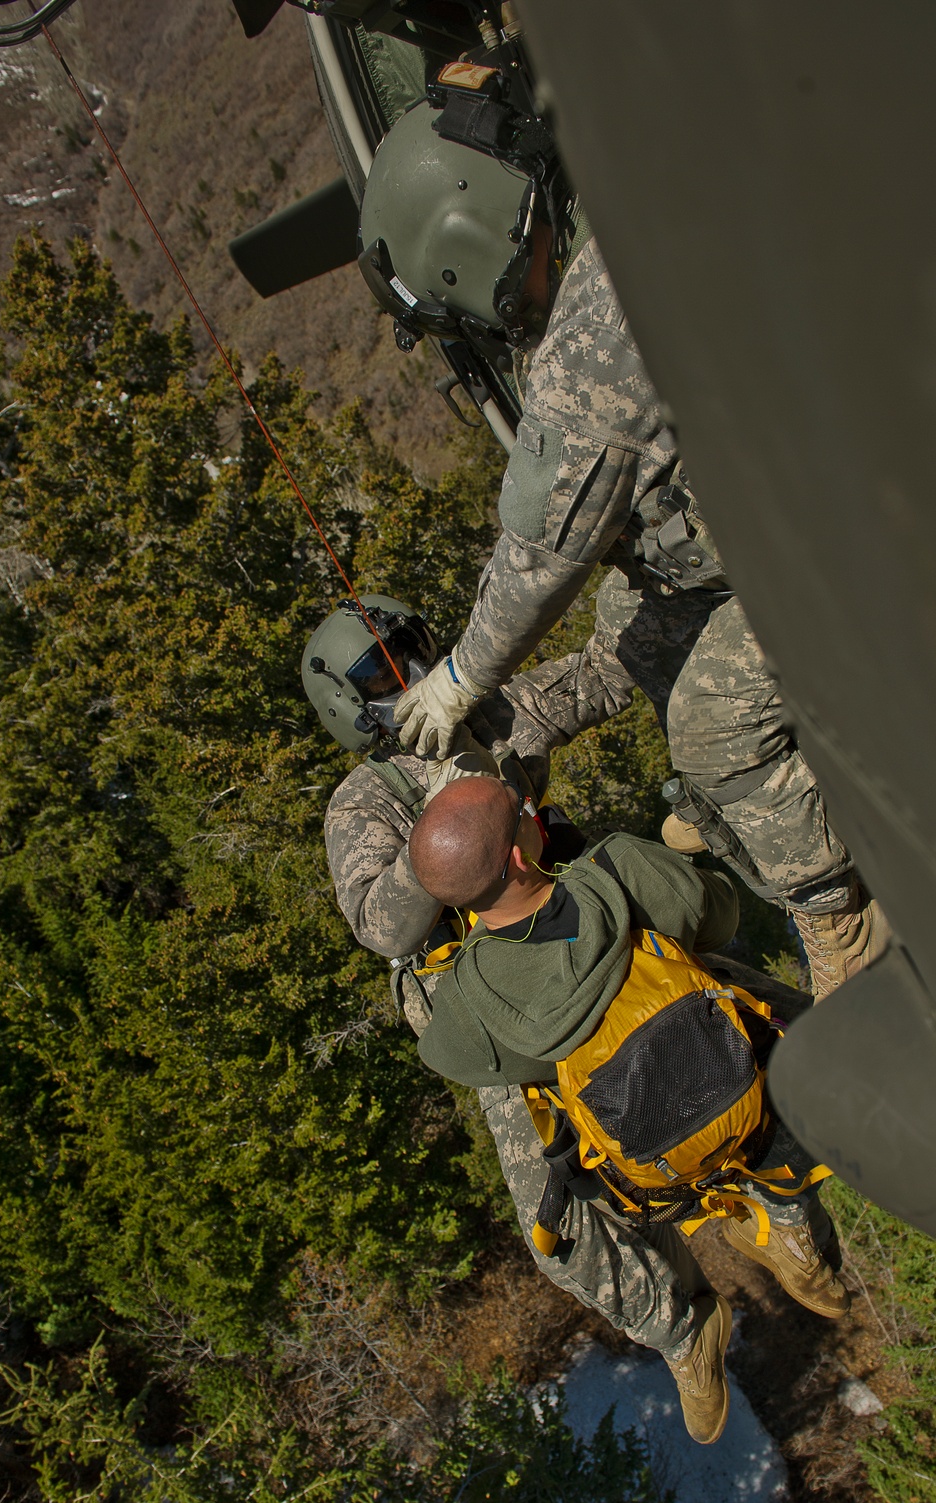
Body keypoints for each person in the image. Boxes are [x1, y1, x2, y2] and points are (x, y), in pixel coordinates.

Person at [352, 85, 889, 995]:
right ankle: (725, 811)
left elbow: (539, 549)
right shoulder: (636, 183)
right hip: (825, 467)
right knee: (630, 615)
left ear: (466, 252)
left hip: (839, 531)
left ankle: (841, 914)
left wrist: (461, 677)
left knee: (715, 728)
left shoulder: (592, 333)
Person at [303, 596, 845, 1447]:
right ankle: (681, 1322)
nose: (407, 675)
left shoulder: (482, 716)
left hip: (590, 931)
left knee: (769, 1034)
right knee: (560, 1228)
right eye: (382, 672)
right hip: (502, 1014)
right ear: (348, 703)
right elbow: (380, 923)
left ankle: (784, 1213)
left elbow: (598, 675)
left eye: (410, 650)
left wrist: (631, 583)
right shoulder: (364, 801)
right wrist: (445, 827)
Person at [407, 776, 850, 1445]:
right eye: (526, 812)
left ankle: (693, 1315)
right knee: (793, 1032)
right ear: (524, 856)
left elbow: (454, 1057)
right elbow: (720, 914)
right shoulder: (618, 868)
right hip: (737, 1091)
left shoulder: (470, 1003)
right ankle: (786, 1220)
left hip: (649, 1177)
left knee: (561, 1225)